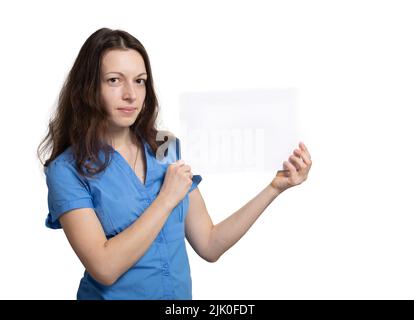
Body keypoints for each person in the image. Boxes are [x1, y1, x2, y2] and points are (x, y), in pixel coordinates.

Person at [37, 28, 312, 300]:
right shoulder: (66, 170)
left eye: (140, 81)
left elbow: (209, 243)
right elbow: (104, 268)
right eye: (114, 80)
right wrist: (166, 198)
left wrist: (275, 188)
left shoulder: (165, 146)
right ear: (88, 88)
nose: (131, 94)